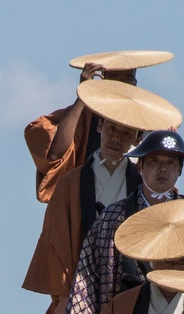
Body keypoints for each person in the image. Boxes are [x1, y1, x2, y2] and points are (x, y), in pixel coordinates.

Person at [23, 80, 182, 314]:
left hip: (131, 283)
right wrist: (62, 298)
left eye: (126, 133)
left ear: (136, 140)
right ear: (98, 129)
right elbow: (59, 242)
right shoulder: (74, 180)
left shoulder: (140, 179)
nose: (116, 138)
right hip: (88, 281)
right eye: (111, 129)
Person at [60, 129, 184, 314]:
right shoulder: (111, 218)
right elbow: (87, 278)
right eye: (154, 161)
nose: (163, 168)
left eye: (170, 162)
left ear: (179, 170)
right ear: (140, 167)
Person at [24, 50, 173, 203]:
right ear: (101, 126)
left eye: (128, 79)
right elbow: (55, 156)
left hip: (132, 208)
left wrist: (170, 148)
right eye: (114, 79)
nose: (121, 85)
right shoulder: (85, 115)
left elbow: (162, 175)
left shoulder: (148, 121)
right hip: (86, 204)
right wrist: (84, 93)